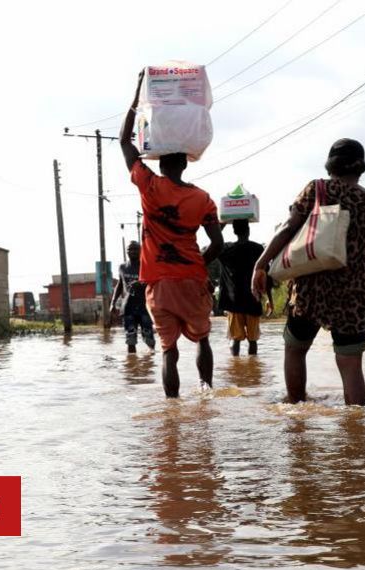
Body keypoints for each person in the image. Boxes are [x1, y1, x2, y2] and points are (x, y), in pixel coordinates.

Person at [252, 139, 365, 405]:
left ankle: (296, 413)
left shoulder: (317, 190)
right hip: (356, 294)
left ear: (330, 165)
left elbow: (288, 229)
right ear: (361, 168)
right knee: (351, 365)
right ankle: (356, 430)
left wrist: (261, 264)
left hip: (310, 291)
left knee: (295, 349)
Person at [120, 69, 224, 398]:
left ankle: (172, 409)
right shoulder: (202, 199)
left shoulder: (149, 187)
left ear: (161, 164)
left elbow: (124, 142)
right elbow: (217, 244)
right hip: (192, 278)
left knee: (168, 351)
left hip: (159, 283)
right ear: (186, 164)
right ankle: (207, 393)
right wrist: (197, 265)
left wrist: (137, 93)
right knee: (203, 338)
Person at [218, 219, 273, 356]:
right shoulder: (258, 249)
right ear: (248, 230)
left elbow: (215, 244)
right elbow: (266, 277)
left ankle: (235, 367)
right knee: (253, 341)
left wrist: (220, 226)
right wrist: (270, 300)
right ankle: (252, 369)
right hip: (252, 301)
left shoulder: (226, 250)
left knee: (235, 340)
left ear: (234, 231)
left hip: (234, 302)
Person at [112, 241, 156, 353]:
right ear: (127, 252)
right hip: (128, 308)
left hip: (145, 307)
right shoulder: (122, 267)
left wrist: (141, 283)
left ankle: (150, 362)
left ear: (141, 251)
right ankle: (132, 365)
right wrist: (113, 303)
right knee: (130, 338)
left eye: (135, 249)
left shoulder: (146, 266)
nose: (132, 251)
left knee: (149, 338)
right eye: (130, 249)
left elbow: (154, 282)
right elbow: (119, 285)